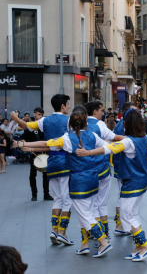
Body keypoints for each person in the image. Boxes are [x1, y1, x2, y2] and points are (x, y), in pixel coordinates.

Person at [15, 108, 113, 257]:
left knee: (85, 215)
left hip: (79, 181)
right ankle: (84, 244)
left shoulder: (67, 139)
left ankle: (103, 242)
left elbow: (45, 144)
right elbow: (108, 147)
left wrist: (24, 145)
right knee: (87, 212)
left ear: (70, 125)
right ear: (85, 122)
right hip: (93, 177)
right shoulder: (92, 135)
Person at [77, 109, 147, 261]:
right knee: (132, 214)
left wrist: (88, 152)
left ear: (127, 123)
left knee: (126, 215)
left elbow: (111, 148)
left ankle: (145, 245)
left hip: (133, 181)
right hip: (140, 180)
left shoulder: (129, 141)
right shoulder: (143, 137)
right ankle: (138, 247)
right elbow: (113, 145)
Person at [11, 94, 73, 246]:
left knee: (58, 198)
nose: (69, 107)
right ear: (63, 106)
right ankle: (62, 233)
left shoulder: (44, 120)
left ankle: (54, 230)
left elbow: (27, 126)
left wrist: (15, 119)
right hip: (65, 161)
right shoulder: (68, 121)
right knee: (67, 200)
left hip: (51, 161)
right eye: (68, 104)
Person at [85, 101, 125, 243]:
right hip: (101, 168)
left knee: (89, 203)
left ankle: (93, 233)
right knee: (101, 203)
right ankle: (103, 235)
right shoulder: (100, 125)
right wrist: (134, 141)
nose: (104, 113)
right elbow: (116, 138)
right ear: (95, 111)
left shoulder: (78, 126)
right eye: (102, 110)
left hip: (84, 170)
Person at [112, 102, 138, 236]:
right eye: (135, 111)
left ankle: (122, 223)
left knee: (122, 195)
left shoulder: (124, 124)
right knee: (122, 195)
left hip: (123, 165)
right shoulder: (122, 126)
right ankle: (121, 224)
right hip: (123, 165)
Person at [20, 107, 52, 201]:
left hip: (44, 152)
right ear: (34, 114)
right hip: (33, 153)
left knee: (46, 174)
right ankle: (34, 194)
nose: (40, 116)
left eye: (41, 114)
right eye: (38, 114)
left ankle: (46, 194)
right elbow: (23, 137)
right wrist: (22, 142)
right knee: (32, 174)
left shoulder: (45, 126)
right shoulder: (30, 126)